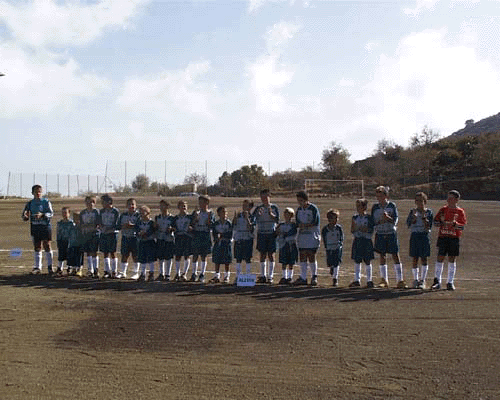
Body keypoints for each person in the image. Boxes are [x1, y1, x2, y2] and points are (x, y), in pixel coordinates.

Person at [371, 186, 406, 289]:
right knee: (382, 255)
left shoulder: (392, 205)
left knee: (395, 255)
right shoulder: (375, 207)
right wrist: (379, 222)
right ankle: (384, 280)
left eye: (381, 196)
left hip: (390, 232)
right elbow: (373, 221)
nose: (379, 198)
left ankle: (400, 280)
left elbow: (395, 219)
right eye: (377, 196)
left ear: (386, 196)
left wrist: (388, 218)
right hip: (380, 233)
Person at [431, 190, 467, 291]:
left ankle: (450, 282)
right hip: (443, 237)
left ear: (456, 200)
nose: (448, 200)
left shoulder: (460, 211)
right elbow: (436, 222)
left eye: (451, 198)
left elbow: (462, 226)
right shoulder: (443, 209)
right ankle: (437, 281)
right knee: (440, 257)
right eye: (448, 198)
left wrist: (456, 225)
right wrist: (442, 223)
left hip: (454, 238)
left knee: (452, 259)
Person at [22, 184, 54, 275]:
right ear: (32, 193)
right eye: (36, 192)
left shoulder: (46, 202)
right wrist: (25, 217)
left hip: (45, 226)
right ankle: (37, 267)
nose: (38, 193)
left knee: (47, 245)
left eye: (39, 191)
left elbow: (51, 213)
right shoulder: (30, 203)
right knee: (37, 246)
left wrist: (42, 215)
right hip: (35, 227)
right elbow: (24, 215)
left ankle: (50, 267)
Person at [406, 192, 433, 289]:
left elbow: (430, 226)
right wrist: (413, 219)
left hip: (424, 235)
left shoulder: (428, 212)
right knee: (415, 258)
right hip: (415, 235)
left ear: (425, 201)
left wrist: (426, 220)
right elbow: (408, 224)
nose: (419, 202)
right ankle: (415, 279)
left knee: (424, 258)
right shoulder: (412, 212)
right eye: (417, 200)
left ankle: (423, 280)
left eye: (421, 200)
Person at [294, 191, 321, 286]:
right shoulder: (299, 210)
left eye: (301, 200)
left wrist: (306, 225)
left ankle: (314, 276)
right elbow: (297, 222)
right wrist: (299, 225)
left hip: (312, 236)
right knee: (302, 255)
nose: (300, 202)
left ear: (306, 200)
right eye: (298, 201)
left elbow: (316, 221)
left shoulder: (313, 208)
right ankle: (303, 277)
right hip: (302, 236)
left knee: (311, 255)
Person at [252, 189, 279, 283]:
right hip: (261, 233)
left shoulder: (274, 207)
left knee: (271, 254)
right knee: (262, 254)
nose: (264, 199)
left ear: (269, 196)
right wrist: (257, 215)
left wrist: (272, 215)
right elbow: (253, 219)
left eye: (266, 197)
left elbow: (277, 220)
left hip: (271, 233)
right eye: (262, 197)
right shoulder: (258, 208)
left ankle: (270, 276)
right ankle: (263, 275)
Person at [350, 199, 375, 288]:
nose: (358, 208)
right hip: (358, 240)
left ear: (364, 207)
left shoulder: (369, 218)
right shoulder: (355, 217)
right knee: (357, 260)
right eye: (357, 206)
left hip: (366, 240)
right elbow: (352, 229)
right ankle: (357, 280)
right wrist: (356, 228)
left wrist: (365, 229)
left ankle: (369, 280)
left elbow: (371, 229)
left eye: (360, 206)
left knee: (367, 260)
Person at [190, 195, 215, 282]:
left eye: (202, 202)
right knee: (195, 255)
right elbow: (192, 224)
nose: (200, 204)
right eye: (199, 202)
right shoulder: (196, 212)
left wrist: (208, 219)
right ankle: (194, 273)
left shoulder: (210, 213)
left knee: (204, 255)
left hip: (205, 234)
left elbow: (211, 225)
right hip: (197, 234)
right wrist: (195, 218)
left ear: (207, 203)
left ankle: (202, 274)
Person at [116, 198, 140, 279]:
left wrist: (132, 226)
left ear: (136, 206)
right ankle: (123, 272)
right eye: (129, 204)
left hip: (135, 238)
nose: (131, 206)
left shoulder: (138, 215)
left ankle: (136, 273)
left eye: (133, 204)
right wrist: (123, 226)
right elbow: (118, 226)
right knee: (124, 255)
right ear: (126, 206)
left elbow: (141, 226)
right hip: (125, 237)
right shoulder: (123, 215)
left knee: (135, 256)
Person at [209, 206, 233, 284]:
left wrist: (222, 235)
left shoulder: (229, 223)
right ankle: (217, 275)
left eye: (225, 212)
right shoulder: (216, 223)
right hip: (218, 243)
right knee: (217, 260)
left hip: (226, 243)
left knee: (227, 261)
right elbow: (214, 233)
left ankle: (226, 276)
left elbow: (230, 234)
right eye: (222, 212)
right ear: (218, 214)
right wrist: (216, 237)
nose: (224, 214)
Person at [233, 199, 255, 279]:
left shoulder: (252, 216)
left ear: (250, 207)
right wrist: (235, 218)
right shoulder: (239, 215)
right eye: (243, 205)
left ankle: (248, 276)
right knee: (238, 258)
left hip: (248, 238)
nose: (244, 207)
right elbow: (234, 225)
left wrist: (247, 218)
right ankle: (238, 276)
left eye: (246, 206)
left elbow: (251, 228)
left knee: (247, 258)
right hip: (239, 238)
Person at [99, 194, 120, 279]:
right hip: (104, 233)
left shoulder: (115, 211)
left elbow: (117, 223)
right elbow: (99, 221)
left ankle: (114, 271)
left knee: (113, 252)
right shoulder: (101, 211)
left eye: (103, 201)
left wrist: (110, 228)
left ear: (109, 202)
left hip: (112, 233)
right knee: (105, 252)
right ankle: (107, 271)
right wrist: (102, 227)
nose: (102, 203)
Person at [79, 196, 101, 278]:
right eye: (88, 202)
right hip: (86, 234)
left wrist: (91, 225)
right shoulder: (83, 213)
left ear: (95, 203)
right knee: (88, 252)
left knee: (94, 252)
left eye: (92, 202)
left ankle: (96, 269)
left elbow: (98, 223)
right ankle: (90, 269)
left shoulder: (97, 212)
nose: (90, 204)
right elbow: (81, 224)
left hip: (94, 234)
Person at [172, 200, 193, 281]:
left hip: (187, 237)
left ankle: (184, 273)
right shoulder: (175, 218)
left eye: (184, 206)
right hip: (179, 237)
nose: (183, 207)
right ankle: (177, 273)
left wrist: (191, 228)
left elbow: (193, 225)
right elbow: (173, 227)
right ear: (178, 207)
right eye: (181, 206)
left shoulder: (190, 217)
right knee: (177, 256)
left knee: (187, 256)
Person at [322, 209, 344, 287]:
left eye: (336, 218)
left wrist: (340, 244)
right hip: (329, 247)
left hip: (337, 247)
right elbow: (324, 237)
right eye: (333, 218)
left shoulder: (338, 228)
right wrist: (326, 246)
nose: (335, 220)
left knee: (336, 262)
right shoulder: (325, 229)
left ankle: (335, 278)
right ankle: (332, 268)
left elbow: (341, 237)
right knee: (330, 262)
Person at [154, 200, 175, 281]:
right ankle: (161, 273)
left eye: (163, 206)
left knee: (168, 257)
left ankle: (168, 274)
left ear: (167, 207)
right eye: (160, 206)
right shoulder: (157, 217)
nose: (161, 208)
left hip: (168, 239)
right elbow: (154, 228)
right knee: (160, 257)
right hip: (160, 238)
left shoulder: (172, 218)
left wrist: (171, 229)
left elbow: (175, 228)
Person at [276, 208, 298, 284]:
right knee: (284, 261)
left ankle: (290, 277)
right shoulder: (281, 225)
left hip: (291, 244)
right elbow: (277, 233)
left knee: (291, 262)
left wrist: (284, 234)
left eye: (288, 214)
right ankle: (283, 276)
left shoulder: (293, 225)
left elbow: (292, 233)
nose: (286, 216)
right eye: (285, 214)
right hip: (283, 244)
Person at [136, 205, 157, 281]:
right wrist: (139, 233)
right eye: (140, 213)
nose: (141, 214)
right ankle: (143, 273)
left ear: (148, 213)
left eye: (143, 212)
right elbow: (136, 230)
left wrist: (146, 234)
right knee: (142, 258)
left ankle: (151, 273)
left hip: (150, 241)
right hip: (142, 241)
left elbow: (153, 230)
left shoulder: (151, 222)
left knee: (150, 258)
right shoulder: (139, 222)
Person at [56, 207, 73, 276]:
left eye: (65, 213)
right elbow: (58, 232)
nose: (64, 214)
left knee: (69, 255)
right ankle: (60, 268)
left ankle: (69, 267)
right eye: (63, 213)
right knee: (61, 255)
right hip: (61, 240)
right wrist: (58, 240)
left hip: (69, 241)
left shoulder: (71, 223)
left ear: (69, 213)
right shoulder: (59, 223)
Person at [67, 211, 84, 276]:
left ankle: (79, 269)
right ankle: (74, 269)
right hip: (72, 244)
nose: (76, 220)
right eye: (75, 219)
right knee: (73, 257)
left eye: (78, 219)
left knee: (79, 257)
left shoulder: (81, 227)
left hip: (79, 244)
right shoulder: (72, 226)